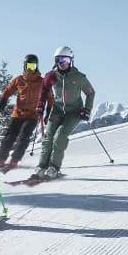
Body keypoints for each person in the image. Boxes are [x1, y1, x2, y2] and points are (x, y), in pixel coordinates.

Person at [33, 46, 95, 179]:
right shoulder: (52, 76)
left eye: (66, 60)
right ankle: (42, 166)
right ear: (56, 60)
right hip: (58, 110)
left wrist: (87, 110)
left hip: (74, 111)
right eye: (60, 60)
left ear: (71, 61)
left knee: (60, 137)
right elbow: (43, 91)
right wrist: (40, 106)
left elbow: (90, 93)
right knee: (48, 137)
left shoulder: (78, 77)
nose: (63, 63)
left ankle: (54, 168)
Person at [0, 54, 52, 169]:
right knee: (10, 135)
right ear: (24, 66)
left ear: (36, 67)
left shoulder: (42, 81)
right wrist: (3, 99)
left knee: (24, 135)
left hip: (33, 114)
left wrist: (48, 110)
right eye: (28, 65)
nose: (30, 69)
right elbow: (8, 90)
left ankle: (14, 160)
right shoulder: (19, 80)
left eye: (33, 66)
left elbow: (50, 96)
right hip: (18, 113)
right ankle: (1, 159)